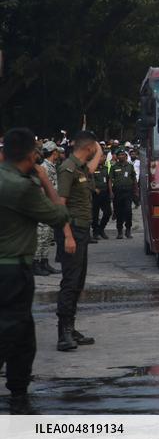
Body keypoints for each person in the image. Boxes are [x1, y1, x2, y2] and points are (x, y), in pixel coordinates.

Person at [0, 128, 71, 404]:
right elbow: (58, 215)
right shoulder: (22, 187)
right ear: (32, 155)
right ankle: (18, 394)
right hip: (12, 271)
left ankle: (19, 394)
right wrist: (45, 181)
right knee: (12, 333)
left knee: (23, 333)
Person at [55, 130, 102, 352]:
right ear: (88, 147)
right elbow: (60, 204)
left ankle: (70, 328)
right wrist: (67, 236)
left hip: (81, 231)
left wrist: (97, 145)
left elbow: (94, 164)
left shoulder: (81, 168)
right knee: (70, 281)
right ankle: (63, 333)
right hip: (72, 230)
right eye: (94, 146)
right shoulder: (68, 169)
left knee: (78, 281)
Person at [33, 141, 62, 275]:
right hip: (44, 206)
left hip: (50, 206)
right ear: (54, 152)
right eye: (57, 151)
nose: (59, 154)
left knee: (48, 236)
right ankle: (36, 263)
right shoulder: (44, 167)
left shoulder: (52, 166)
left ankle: (44, 261)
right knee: (41, 236)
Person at [110, 149, 138, 239]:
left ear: (126, 156)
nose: (121, 156)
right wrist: (111, 192)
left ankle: (128, 230)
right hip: (117, 192)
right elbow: (110, 180)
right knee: (119, 212)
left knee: (128, 211)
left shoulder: (130, 166)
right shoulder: (114, 167)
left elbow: (134, 179)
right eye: (119, 155)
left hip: (128, 192)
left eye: (123, 155)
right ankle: (119, 231)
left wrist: (136, 191)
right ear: (117, 157)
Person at [89, 147, 112, 242]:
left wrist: (111, 192)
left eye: (104, 156)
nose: (103, 158)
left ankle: (101, 228)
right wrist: (94, 188)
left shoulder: (106, 168)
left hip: (105, 193)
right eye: (101, 156)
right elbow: (88, 179)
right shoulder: (91, 168)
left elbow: (109, 180)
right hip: (95, 194)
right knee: (95, 214)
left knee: (108, 212)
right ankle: (95, 232)